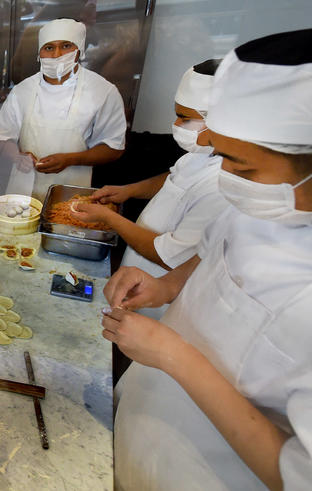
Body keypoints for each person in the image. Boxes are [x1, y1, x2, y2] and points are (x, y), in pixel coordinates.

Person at [103, 29, 312, 490]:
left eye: (243, 165)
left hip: (202, 471)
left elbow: (296, 475)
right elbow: (212, 254)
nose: (226, 176)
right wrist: (165, 287)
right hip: (145, 416)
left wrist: (174, 355)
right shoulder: (260, 205)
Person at [71, 59, 227, 319]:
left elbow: (167, 256)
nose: (176, 125)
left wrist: (109, 218)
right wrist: (128, 190)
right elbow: (175, 178)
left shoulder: (222, 186)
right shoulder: (200, 152)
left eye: (185, 118)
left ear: (221, 122)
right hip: (138, 267)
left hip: (161, 291)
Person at [0, 18, 126, 201]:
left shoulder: (103, 92)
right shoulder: (22, 91)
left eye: (65, 46)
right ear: (39, 53)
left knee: (61, 223)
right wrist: (17, 156)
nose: (56, 54)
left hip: (72, 188)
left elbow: (114, 148)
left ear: (79, 50)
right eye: (49, 48)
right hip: (23, 187)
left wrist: (70, 159)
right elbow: (1, 138)